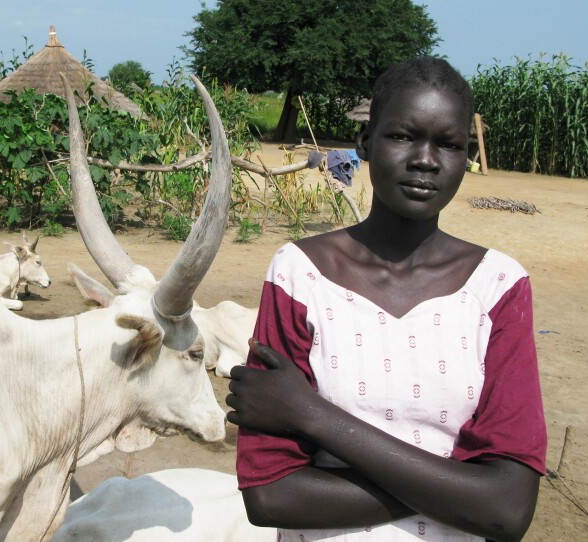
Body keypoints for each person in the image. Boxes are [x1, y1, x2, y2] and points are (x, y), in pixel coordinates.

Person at [226, 57, 546, 542]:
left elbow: (507, 510)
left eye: (450, 145)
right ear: (363, 144)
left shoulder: (498, 288)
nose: (426, 159)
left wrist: (311, 415)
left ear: (466, 157)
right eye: (403, 136)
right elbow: (270, 494)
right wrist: (461, 490)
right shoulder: (299, 276)